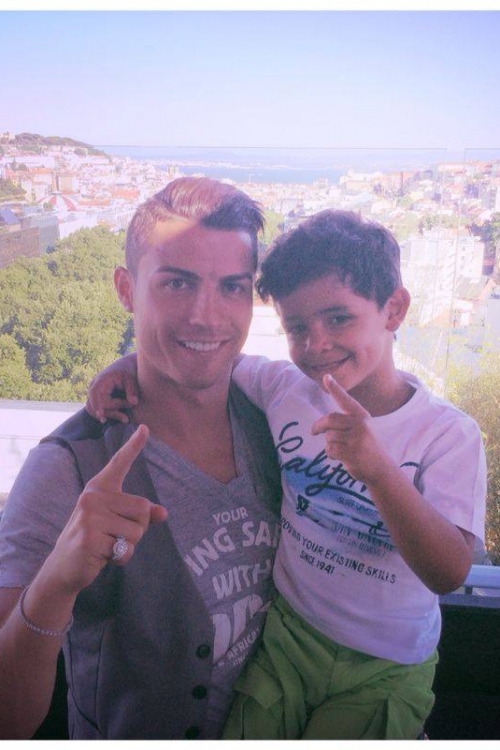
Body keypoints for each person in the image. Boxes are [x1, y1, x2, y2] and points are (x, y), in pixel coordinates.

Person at [87, 209, 487, 740]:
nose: (316, 345)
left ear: (393, 309)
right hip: (287, 639)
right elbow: (206, 361)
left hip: (385, 665)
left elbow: (449, 572)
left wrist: (379, 472)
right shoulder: (284, 389)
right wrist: (125, 365)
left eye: (338, 319)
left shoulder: (447, 434)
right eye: (297, 327)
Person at [0, 176, 282, 740]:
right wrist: (55, 584)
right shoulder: (66, 470)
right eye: (177, 283)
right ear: (127, 290)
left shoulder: (278, 424)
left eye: (232, 287)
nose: (206, 316)